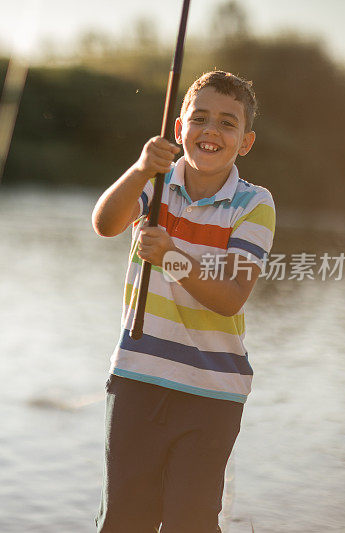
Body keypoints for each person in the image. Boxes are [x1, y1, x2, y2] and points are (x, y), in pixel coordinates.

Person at [91, 70, 276, 532]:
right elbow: (106, 224)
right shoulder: (151, 186)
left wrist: (171, 256)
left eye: (228, 123)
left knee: (188, 521)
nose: (211, 131)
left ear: (245, 142)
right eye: (201, 118)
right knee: (124, 518)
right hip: (138, 377)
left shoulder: (254, 204)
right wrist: (139, 169)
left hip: (211, 393)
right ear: (179, 129)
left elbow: (231, 296)